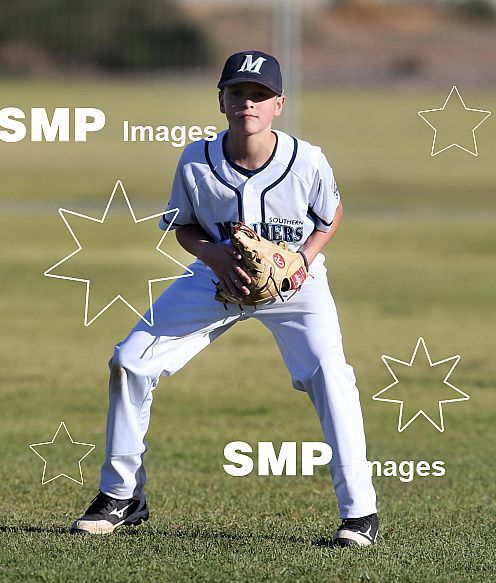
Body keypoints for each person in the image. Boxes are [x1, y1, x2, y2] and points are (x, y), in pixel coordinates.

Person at [71, 50, 378, 546]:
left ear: (279, 104)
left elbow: (330, 215)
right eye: (237, 92)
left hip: (295, 286)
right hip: (215, 279)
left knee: (331, 376)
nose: (247, 103)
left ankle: (359, 513)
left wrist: (302, 260)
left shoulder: (307, 160)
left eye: (259, 94)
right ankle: (122, 495)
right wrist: (213, 255)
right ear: (221, 101)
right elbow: (183, 225)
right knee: (130, 363)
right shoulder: (196, 159)